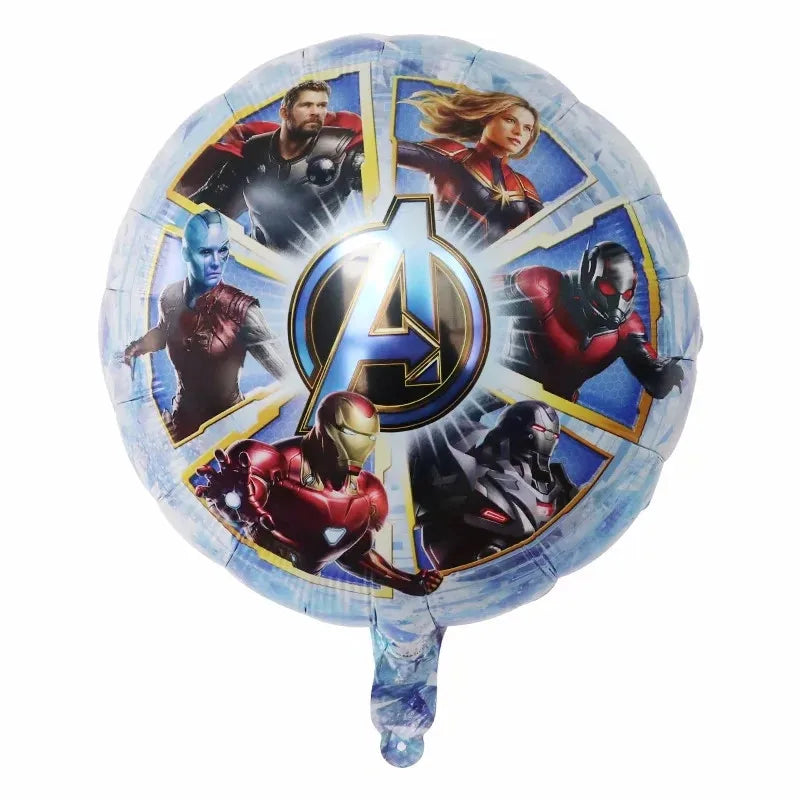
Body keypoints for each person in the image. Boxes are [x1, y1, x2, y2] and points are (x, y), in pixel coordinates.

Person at [195, 391, 443, 596]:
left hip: (301, 586)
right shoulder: (280, 460)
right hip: (257, 574)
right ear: (326, 427)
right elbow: (252, 475)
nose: (361, 443)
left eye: (368, 436)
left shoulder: (369, 493)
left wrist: (405, 582)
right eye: (352, 434)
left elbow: (352, 553)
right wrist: (236, 496)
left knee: (359, 534)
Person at [123, 210, 286, 442]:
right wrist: (135, 348)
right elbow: (164, 330)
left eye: (223, 250)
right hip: (183, 425)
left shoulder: (241, 310)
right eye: (206, 252)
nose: (216, 262)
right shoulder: (170, 297)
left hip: (228, 434)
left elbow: (289, 373)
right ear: (186, 253)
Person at [186, 80, 365, 253]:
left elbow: (374, 175)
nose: (316, 112)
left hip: (314, 264)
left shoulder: (343, 150)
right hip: (258, 258)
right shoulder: (254, 150)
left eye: (322, 105)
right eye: (306, 105)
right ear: (285, 113)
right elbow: (204, 213)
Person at [500, 241, 684, 402]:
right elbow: (484, 297)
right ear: (589, 275)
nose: (617, 303)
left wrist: (663, 375)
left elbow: (652, 373)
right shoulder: (542, 286)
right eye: (608, 288)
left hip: (554, 408)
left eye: (626, 293)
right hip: (503, 383)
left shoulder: (627, 328)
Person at [411, 396, 577, 570]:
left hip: (533, 561)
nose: (548, 437)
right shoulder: (475, 462)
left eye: (551, 434)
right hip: (473, 553)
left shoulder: (560, 486)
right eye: (542, 430)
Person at [396, 87, 543, 247]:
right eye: (510, 120)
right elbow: (386, 151)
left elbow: (544, 228)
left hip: (498, 261)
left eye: (527, 128)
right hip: (445, 254)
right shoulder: (455, 155)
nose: (519, 131)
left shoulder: (523, 185)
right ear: (486, 118)